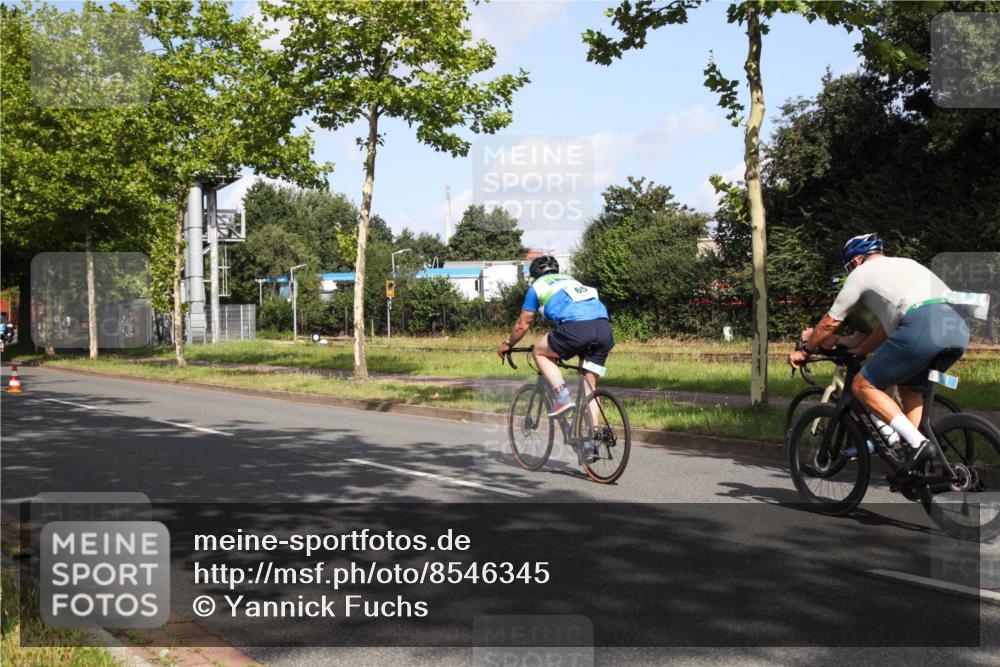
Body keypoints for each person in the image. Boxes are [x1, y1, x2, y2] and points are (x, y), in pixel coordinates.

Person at [789, 233, 970, 473]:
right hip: (957, 327)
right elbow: (885, 329)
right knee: (909, 387)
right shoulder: (908, 264)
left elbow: (828, 324)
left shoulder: (859, 275)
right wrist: (859, 350)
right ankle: (913, 465)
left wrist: (805, 351)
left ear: (854, 262)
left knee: (862, 385)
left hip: (921, 324)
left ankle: (918, 445)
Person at [497, 255, 614, 461]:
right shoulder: (573, 281)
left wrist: (508, 344)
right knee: (590, 388)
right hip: (604, 330)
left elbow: (523, 325)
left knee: (540, 352)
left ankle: (562, 397)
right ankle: (589, 441)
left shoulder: (537, 287)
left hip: (577, 329)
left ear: (534, 275)